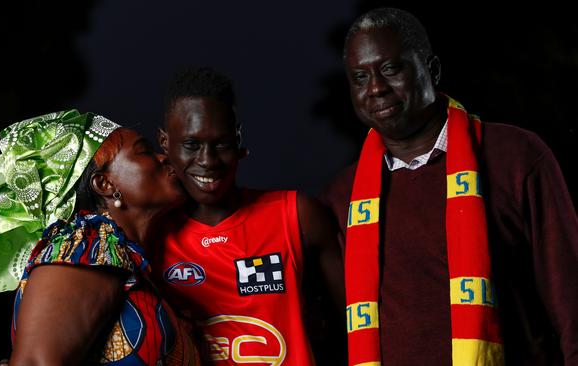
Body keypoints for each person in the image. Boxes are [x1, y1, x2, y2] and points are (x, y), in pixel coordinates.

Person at [320, 7, 578, 366]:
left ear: (433, 70)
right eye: (360, 77)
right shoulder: (341, 195)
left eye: (391, 69)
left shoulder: (515, 156)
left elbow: (569, 295)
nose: (376, 88)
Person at [0, 110, 200, 365]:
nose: (164, 158)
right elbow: (35, 362)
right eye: (144, 151)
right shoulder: (85, 243)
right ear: (105, 184)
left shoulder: (124, 259)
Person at [148, 67, 345, 365]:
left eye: (221, 144)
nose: (208, 160)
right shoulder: (151, 236)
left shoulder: (297, 214)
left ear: (238, 138)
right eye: (191, 145)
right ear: (165, 143)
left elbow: (356, 327)